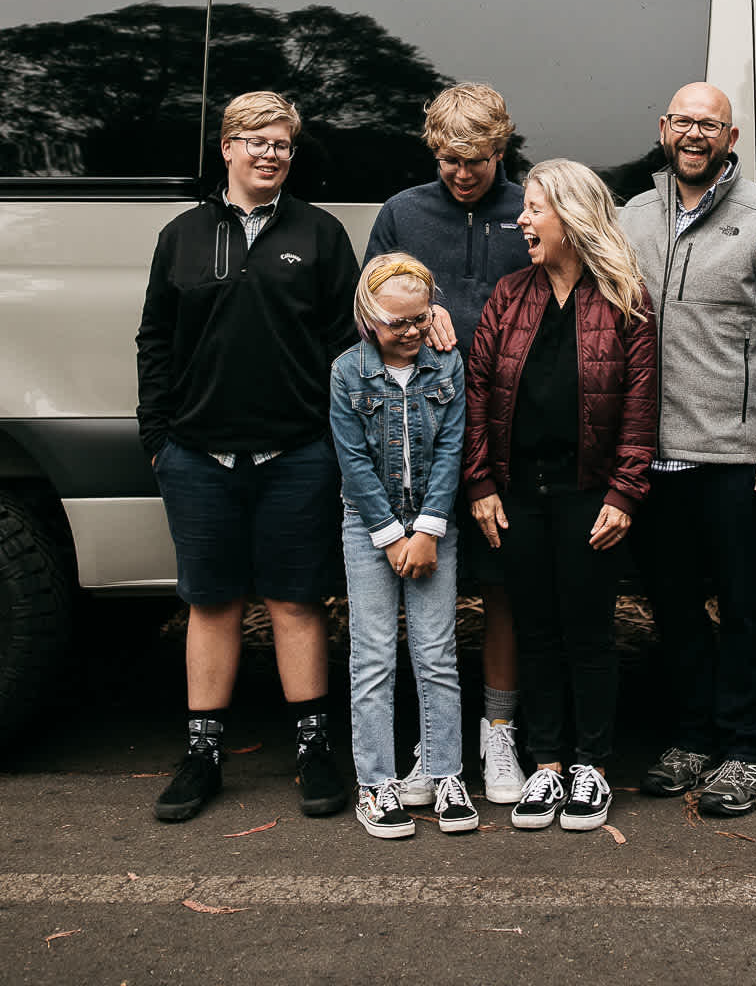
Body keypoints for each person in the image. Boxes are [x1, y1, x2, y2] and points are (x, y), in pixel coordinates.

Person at [136, 90, 359, 823]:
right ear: (227, 148)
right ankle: (202, 756)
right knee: (212, 603)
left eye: (283, 144)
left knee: (296, 601)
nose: (270, 154)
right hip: (198, 457)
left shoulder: (321, 235)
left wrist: (330, 443)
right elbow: (157, 342)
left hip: (296, 454)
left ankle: (314, 749)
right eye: (256, 141)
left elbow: (343, 345)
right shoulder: (183, 235)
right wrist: (159, 442)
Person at [621, 82, 756, 817]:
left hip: (740, 455)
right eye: (683, 122)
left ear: (730, 138)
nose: (694, 134)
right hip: (653, 454)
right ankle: (693, 734)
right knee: (670, 606)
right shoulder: (632, 215)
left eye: (710, 124)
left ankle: (747, 749)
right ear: (664, 129)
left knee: (743, 607)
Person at [464, 159, 657, 833]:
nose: (521, 218)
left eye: (535, 208)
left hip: (589, 496)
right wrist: (482, 483)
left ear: (572, 217)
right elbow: (478, 391)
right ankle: (547, 765)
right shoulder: (510, 293)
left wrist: (626, 493)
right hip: (518, 494)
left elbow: (640, 407)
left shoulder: (626, 296)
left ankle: (594, 768)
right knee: (535, 631)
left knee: (589, 632)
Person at [364, 83, 529, 805]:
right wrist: (412, 316)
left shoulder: (528, 210)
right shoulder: (403, 212)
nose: (461, 173)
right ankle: (431, 747)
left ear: (501, 148)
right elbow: (363, 317)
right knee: (421, 593)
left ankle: (498, 733)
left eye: (476, 159)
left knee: (502, 591)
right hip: (420, 441)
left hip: (505, 438)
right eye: (448, 159)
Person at [330, 253, 478, 839]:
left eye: (420, 319)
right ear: (369, 319)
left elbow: (452, 452)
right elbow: (353, 461)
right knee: (372, 657)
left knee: (436, 653)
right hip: (368, 527)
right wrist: (392, 535)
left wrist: (429, 528)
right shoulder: (348, 371)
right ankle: (376, 782)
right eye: (397, 324)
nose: (412, 332)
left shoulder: (446, 365)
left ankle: (444, 774)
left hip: (433, 526)